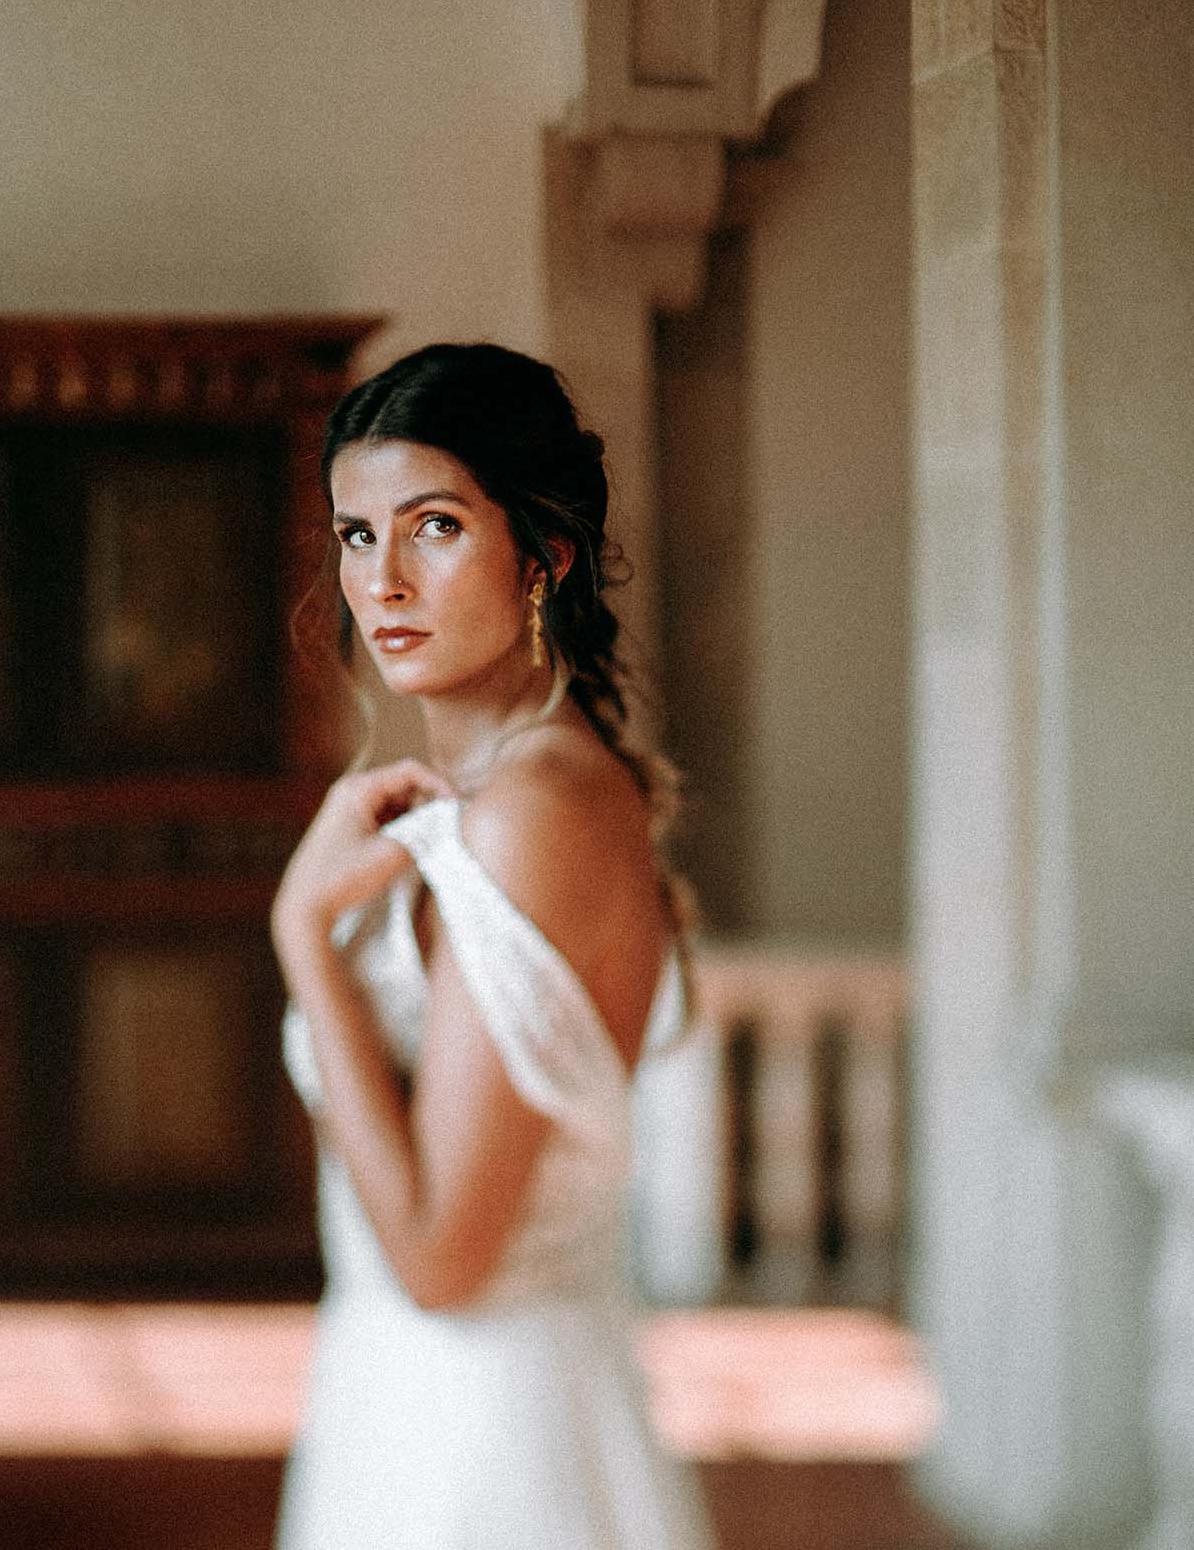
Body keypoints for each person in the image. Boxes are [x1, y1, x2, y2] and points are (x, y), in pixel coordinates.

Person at [271, 342, 714, 1549]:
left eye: (435, 527)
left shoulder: (533, 810)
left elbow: (438, 1262)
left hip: (490, 1453)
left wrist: (304, 934)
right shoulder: (481, 792)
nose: (384, 582)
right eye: (357, 534)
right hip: (406, 1410)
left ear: (544, 553)